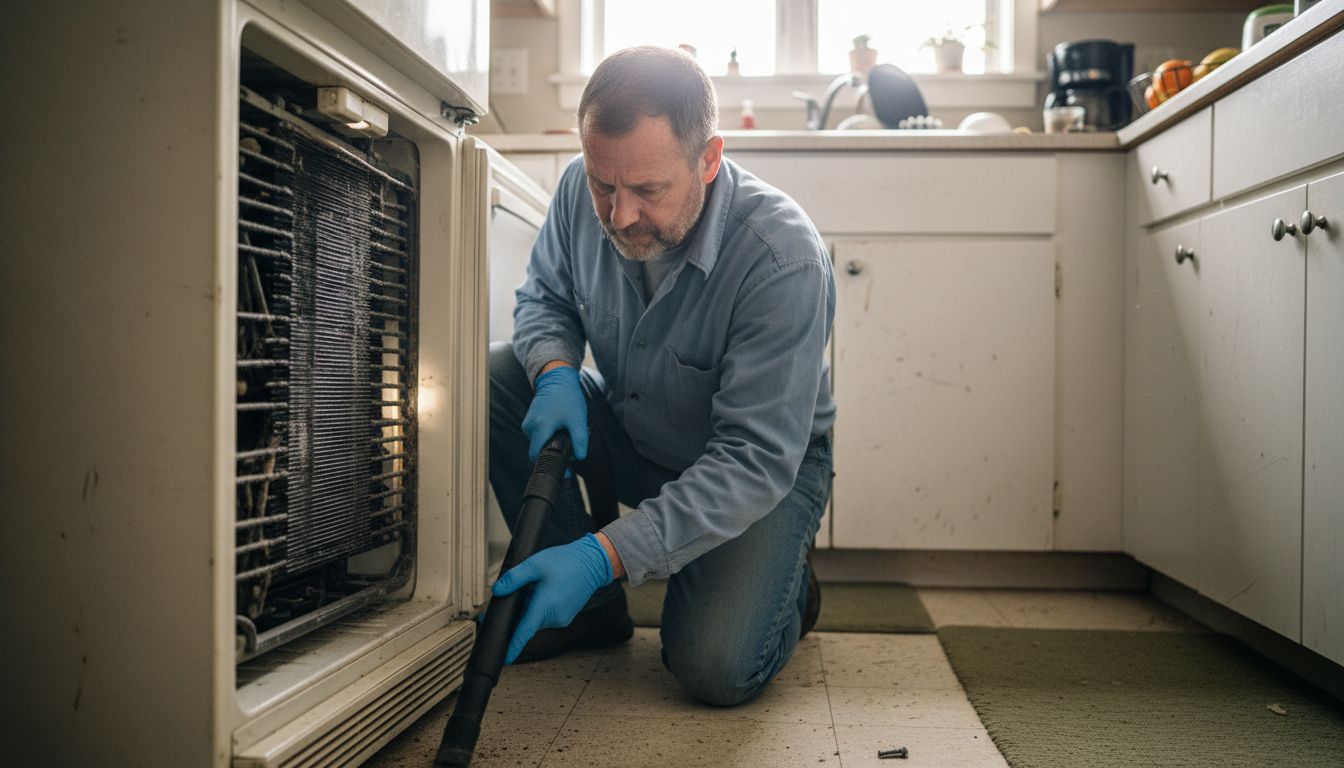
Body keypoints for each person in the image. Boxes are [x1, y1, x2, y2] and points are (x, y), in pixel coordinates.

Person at [487, 45, 836, 707]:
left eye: (648, 191)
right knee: (503, 373)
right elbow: (545, 300)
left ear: (709, 159)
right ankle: (592, 612)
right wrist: (557, 371)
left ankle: (785, 587)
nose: (618, 215)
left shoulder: (780, 255)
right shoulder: (576, 191)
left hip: (759, 467)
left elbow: (754, 457)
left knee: (713, 667)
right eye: (603, 186)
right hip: (636, 430)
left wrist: (602, 554)